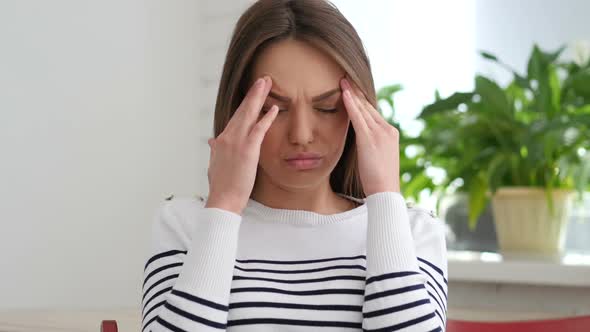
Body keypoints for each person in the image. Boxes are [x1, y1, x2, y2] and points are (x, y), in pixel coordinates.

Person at [141, 0, 447, 331]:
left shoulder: (412, 232)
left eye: (328, 107)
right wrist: (225, 206)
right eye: (274, 109)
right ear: (239, 110)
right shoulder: (185, 225)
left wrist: (385, 196)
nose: (301, 135)